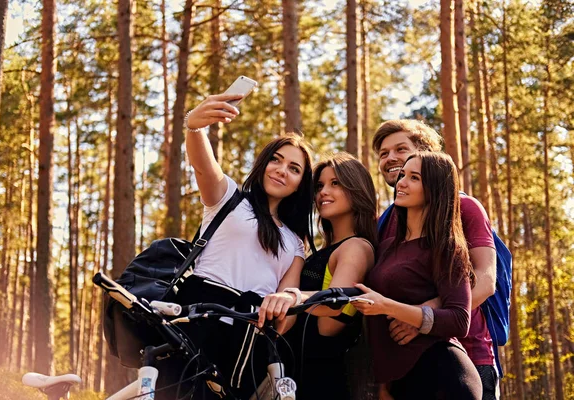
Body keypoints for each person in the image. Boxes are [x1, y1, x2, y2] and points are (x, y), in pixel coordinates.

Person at [171, 93, 315, 399]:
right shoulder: (229, 199)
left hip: (248, 339)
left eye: (294, 168)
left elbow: (288, 311)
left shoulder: (294, 243)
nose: (281, 170)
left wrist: (285, 301)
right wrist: (194, 128)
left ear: (301, 184)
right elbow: (203, 167)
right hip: (197, 318)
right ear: (263, 164)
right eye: (276, 160)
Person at [372, 119, 498, 399]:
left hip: (468, 357)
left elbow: (486, 280)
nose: (390, 158)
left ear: (427, 155)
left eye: (400, 149)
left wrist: (422, 315)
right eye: (383, 153)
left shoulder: (464, 206)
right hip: (407, 368)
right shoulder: (389, 221)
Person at [352, 151, 482, 399]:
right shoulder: (387, 246)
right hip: (400, 383)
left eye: (414, 178)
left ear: (434, 188)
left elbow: (459, 319)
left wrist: (387, 306)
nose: (401, 182)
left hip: (444, 377)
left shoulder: (446, 247)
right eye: (402, 175)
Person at [257, 152, 377, 399]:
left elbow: (333, 315)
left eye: (336, 184)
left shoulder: (357, 247)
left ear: (357, 190)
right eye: (320, 186)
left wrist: (294, 297)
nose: (323, 192)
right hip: (293, 376)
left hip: (322, 381)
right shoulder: (322, 251)